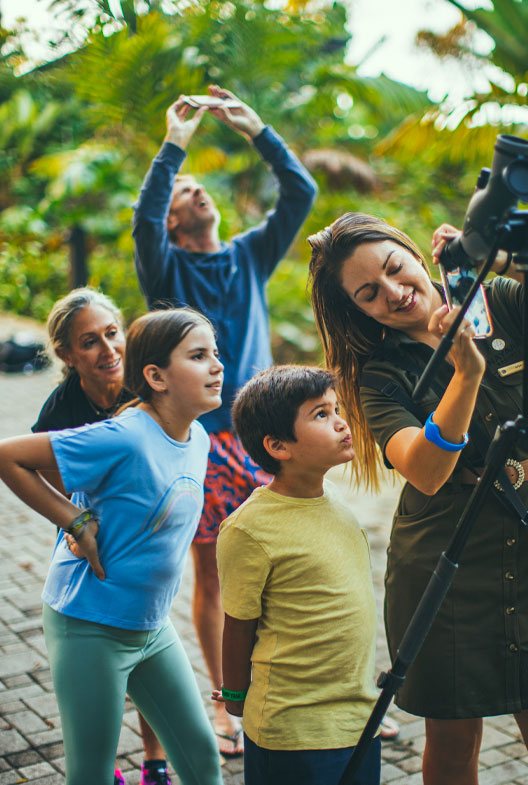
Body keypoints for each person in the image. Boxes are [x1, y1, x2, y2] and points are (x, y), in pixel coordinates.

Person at [307, 213, 528, 785]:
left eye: (396, 270)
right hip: (444, 565)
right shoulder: (379, 374)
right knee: (453, 754)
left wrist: (509, 262)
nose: (395, 294)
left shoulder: (499, 300)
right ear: (359, 310)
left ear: (418, 258)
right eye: (369, 294)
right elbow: (426, 470)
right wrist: (464, 375)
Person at [132, 85, 318, 756]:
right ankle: (226, 702)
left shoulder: (248, 255)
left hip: (269, 432)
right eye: (185, 192)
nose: (196, 192)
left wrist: (257, 128)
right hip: (204, 440)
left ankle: (303, 691)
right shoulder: (165, 267)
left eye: (197, 187)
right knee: (215, 575)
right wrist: (172, 147)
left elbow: (301, 195)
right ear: (176, 223)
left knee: (288, 563)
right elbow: (143, 222)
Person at [0, 308, 225, 785]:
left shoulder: (199, 437)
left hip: (151, 626)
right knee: (91, 773)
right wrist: (74, 521)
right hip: (90, 626)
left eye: (216, 354)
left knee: (202, 759)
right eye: (199, 355)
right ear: (156, 376)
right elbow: (8, 456)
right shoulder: (124, 436)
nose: (217, 366)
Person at [31, 287, 174, 785]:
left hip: (142, 540)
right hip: (90, 540)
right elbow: (35, 470)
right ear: (67, 355)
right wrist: (71, 521)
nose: (108, 349)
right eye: (90, 342)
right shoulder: (62, 408)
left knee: (147, 658)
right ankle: (98, 765)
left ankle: (154, 765)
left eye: (112, 333)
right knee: (104, 666)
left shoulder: (145, 387)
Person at [213, 365, 381, 785]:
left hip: (358, 717)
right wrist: (235, 697)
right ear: (278, 446)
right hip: (292, 730)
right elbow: (238, 624)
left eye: (336, 408)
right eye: (321, 414)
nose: (341, 421)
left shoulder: (336, 500)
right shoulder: (249, 529)